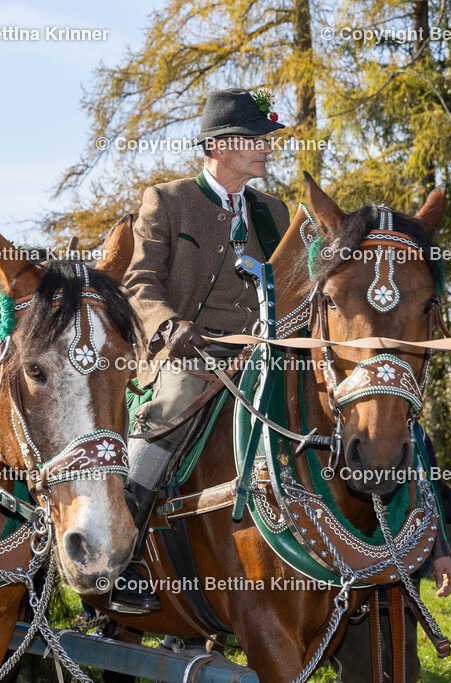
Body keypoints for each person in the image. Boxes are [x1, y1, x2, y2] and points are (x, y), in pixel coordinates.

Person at [110, 87, 290, 613]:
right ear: (218, 145)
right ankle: (121, 561)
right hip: (189, 355)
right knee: (167, 413)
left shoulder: (273, 211)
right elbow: (138, 283)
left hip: (261, 351)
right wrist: (168, 325)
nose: (267, 148)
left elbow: (294, 285)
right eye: (256, 139)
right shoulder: (167, 200)